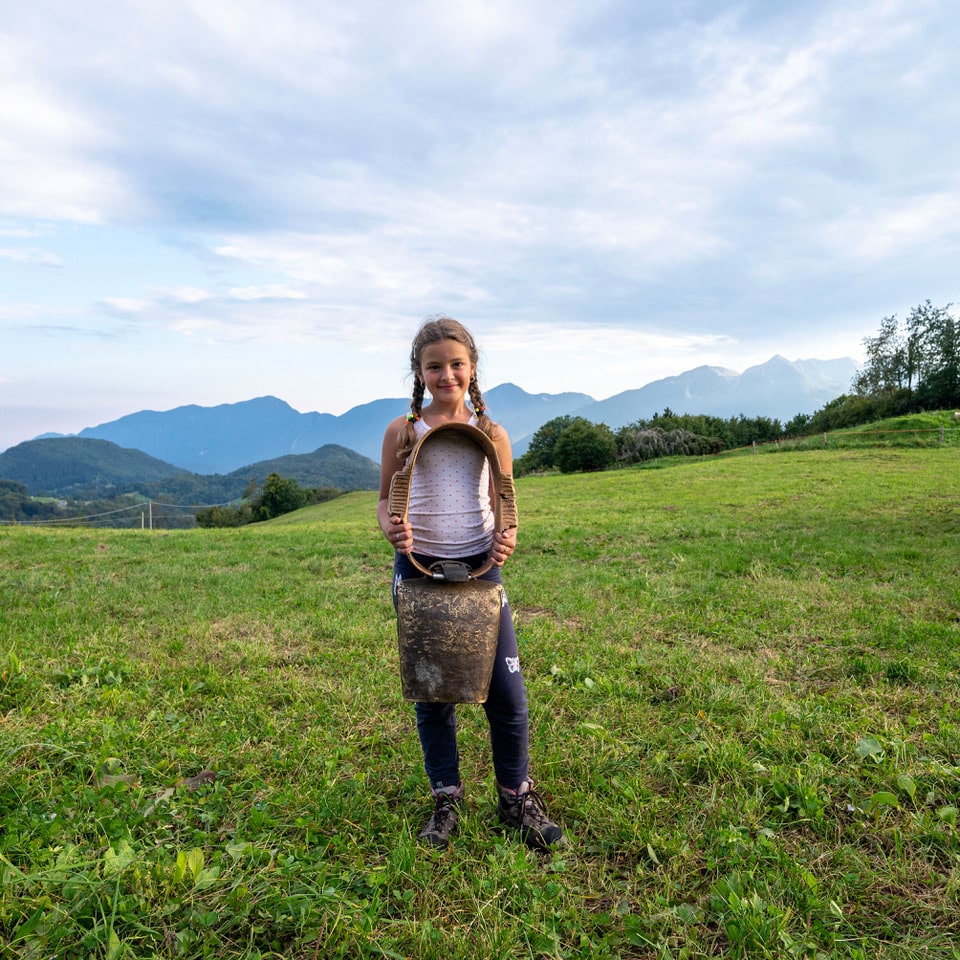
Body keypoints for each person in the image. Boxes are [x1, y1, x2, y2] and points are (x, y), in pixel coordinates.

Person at [378, 316, 563, 851]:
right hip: (419, 570)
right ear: (419, 372)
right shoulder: (402, 431)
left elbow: (506, 501)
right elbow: (385, 498)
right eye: (434, 366)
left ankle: (515, 798)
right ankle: (446, 799)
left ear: (472, 368)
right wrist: (391, 527)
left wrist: (508, 536)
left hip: (481, 570)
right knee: (433, 691)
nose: (447, 375)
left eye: (456, 364)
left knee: (506, 692)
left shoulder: (492, 434)